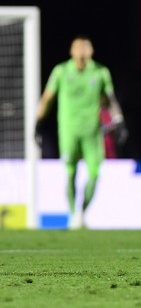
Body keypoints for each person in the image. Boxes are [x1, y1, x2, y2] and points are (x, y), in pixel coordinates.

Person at [35, 36, 124, 229]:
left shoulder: (100, 71)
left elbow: (110, 99)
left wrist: (119, 121)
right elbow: (47, 98)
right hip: (69, 131)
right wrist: (38, 122)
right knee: (70, 172)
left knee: (95, 172)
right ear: (71, 51)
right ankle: (73, 213)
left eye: (87, 48)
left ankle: (82, 211)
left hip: (93, 131)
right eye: (79, 48)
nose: (83, 51)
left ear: (91, 51)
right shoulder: (61, 71)